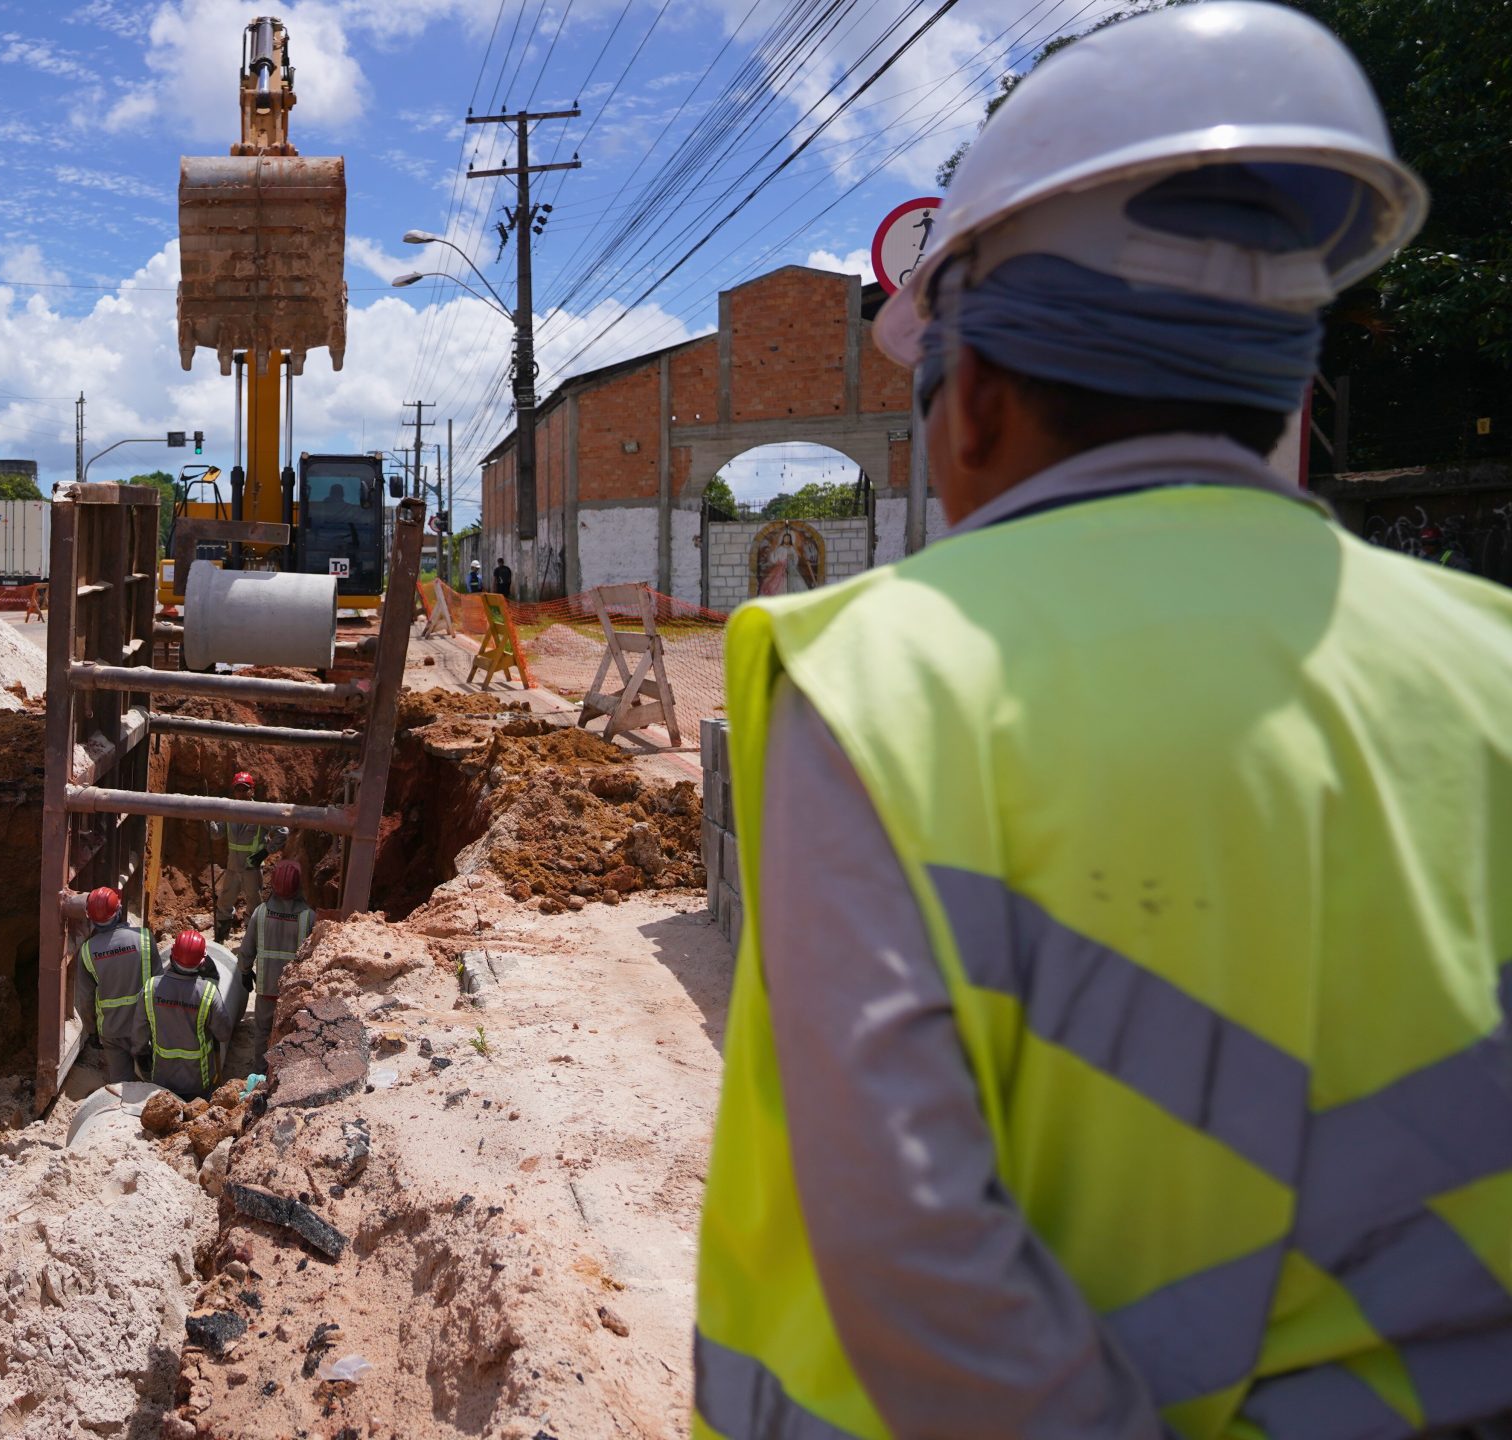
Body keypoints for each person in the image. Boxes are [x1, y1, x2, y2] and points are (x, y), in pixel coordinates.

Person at [694, 7, 1512, 1437]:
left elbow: (916, 1262)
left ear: (979, 406)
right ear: (1282, 396)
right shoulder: (1490, 663)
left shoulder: (889, 676)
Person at [122, 930, 245, 1102]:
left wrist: (142, 1059)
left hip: (161, 1079)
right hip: (199, 1080)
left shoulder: (150, 989)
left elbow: (139, 1035)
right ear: (202, 961)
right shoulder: (208, 992)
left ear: (172, 955)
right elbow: (223, 1033)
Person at [236, 858, 314, 1072]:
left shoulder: (261, 912)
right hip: (294, 992)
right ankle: (284, 1073)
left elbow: (246, 949)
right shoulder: (308, 917)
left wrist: (245, 972)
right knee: (289, 1032)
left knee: (262, 1032)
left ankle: (261, 1073)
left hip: (267, 988)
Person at [73, 885, 153, 1085]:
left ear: (90, 918)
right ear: (118, 910)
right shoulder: (144, 938)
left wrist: (92, 1030)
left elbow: (85, 1000)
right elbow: (159, 984)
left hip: (111, 1031)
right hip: (144, 1027)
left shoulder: (87, 952)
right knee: (154, 1086)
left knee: (120, 1086)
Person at [206, 771, 287, 942]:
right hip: (233, 866)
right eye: (238, 789)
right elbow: (216, 834)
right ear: (234, 791)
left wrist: (264, 853)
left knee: (254, 905)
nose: (241, 793)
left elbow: (282, 832)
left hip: (252, 866)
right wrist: (207, 818)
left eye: (245, 789)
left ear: (252, 791)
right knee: (224, 902)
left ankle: (252, 942)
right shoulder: (229, 811)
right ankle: (221, 939)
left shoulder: (261, 812)